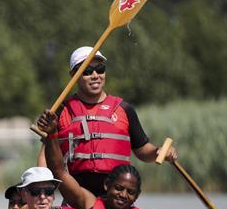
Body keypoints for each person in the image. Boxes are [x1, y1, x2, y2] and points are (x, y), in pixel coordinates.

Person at [43, 47, 177, 196]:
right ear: (73, 75)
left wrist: (159, 151)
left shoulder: (124, 109)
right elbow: (45, 157)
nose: (95, 75)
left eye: (100, 69)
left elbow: (143, 150)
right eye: (87, 71)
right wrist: (40, 190)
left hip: (116, 198)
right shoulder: (61, 111)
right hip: (77, 197)